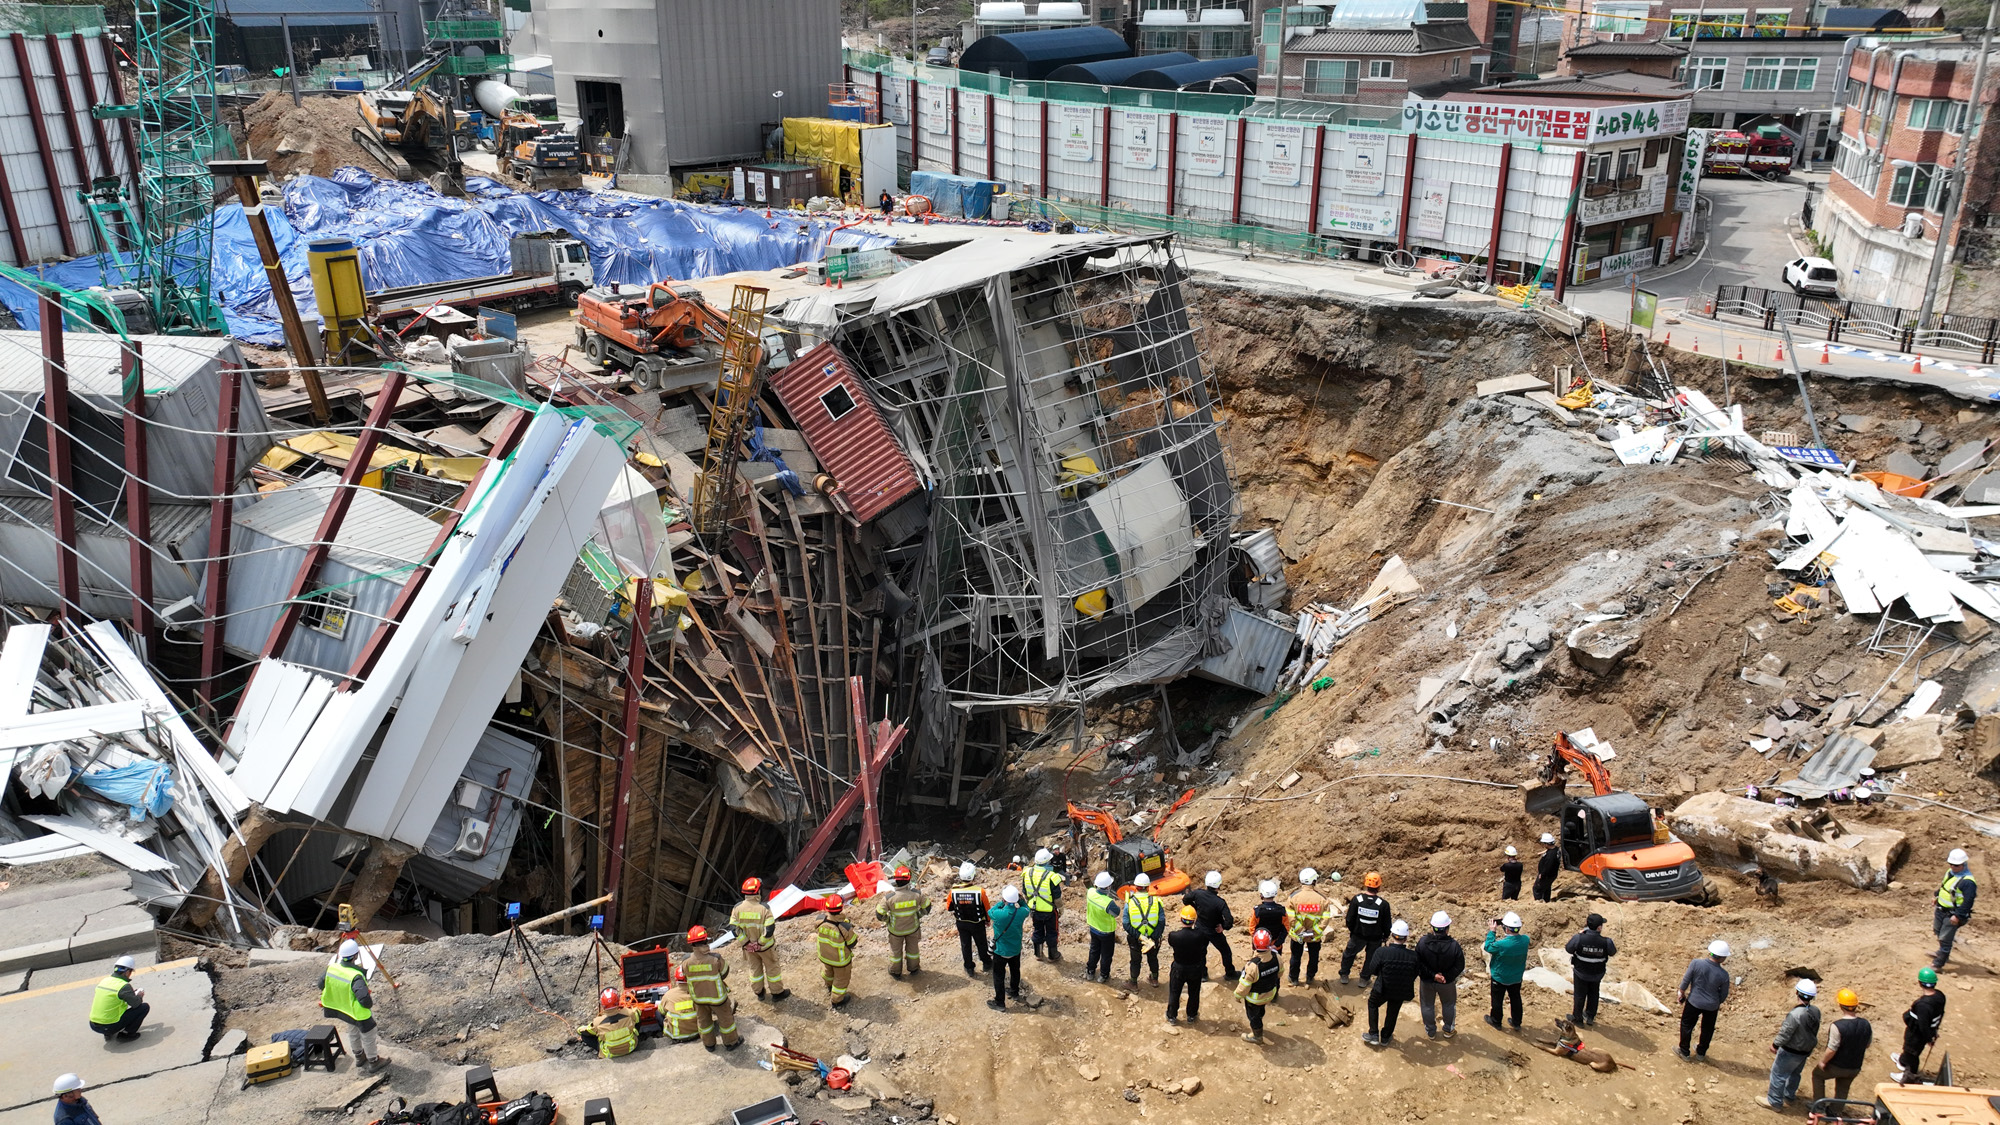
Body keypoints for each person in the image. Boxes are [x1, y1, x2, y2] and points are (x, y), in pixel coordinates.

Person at [319, 939, 389, 1070]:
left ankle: (359, 1057)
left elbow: (321, 984)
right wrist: (368, 1002)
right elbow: (364, 1000)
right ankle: (373, 1061)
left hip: (345, 1010)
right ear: (356, 955)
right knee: (368, 1035)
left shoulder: (331, 968)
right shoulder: (355, 975)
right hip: (358, 1012)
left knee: (352, 1032)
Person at [1757, 979, 1820, 1110]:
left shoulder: (1795, 1014)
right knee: (1795, 1073)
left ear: (1797, 992)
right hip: (1805, 1050)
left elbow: (1786, 1032)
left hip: (1791, 1050)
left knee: (1778, 1074)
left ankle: (1774, 1101)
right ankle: (1789, 1096)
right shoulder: (1815, 1011)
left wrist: (1775, 1045)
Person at [1362, 918, 1421, 1047]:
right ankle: (1385, 1037)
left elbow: (1372, 969)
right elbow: (1415, 973)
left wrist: (1384, 974)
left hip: (1382, 987)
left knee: (1372, 1004)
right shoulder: (1413, 956)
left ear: (1392, 935)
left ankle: (1373, 1034)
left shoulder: (1382, 952)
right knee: (1393, 1012)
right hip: (1400, 990)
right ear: (1406, 938)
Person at [682, 925, 742, 1050]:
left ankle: (709, 1044)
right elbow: (724, 973)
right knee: (726, 1020)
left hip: (698, 999)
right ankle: (731, 1043)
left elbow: (685, 977)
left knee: (704, 1022)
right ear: (705, 940)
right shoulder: (715, 959)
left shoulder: (685, 962)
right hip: (717, 998)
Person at [730, 876, 788, 1001]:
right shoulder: (764, 908)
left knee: (754, 970)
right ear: (758, 891)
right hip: (765, 947)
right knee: (772, 969)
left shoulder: (737, 908)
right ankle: (777, 993)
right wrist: (760, 943)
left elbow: (734, 930)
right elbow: (769, 930)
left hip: (749, 949)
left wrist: (746, 943)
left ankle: (759, 993)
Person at [1812, 988, 1871, 1102]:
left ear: (1840, 1005)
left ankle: (1818, 1108)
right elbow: (1867, 1044)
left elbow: (1832, 1049)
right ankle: (1835, 1112)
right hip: (1855, 1067)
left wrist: (1823, 1062)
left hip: (1837, 1066)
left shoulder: (1837, 1026)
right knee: (1843, 1089)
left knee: (1817, 1075)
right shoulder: (1866, 1024)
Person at [1678, 940, 1733, 1060]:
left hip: (1694, 1002)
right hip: (1712, 1006)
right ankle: (1701, 1053)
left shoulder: (1696, 963)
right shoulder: (1724, 975)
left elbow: (1686, 980)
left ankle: (1684, 1051)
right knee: (1707, 1029)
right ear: (1723, 958)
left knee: (1687, 1025)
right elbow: (1724, 994)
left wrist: (1681, 992)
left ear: (1711, 952)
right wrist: (1716, 1002)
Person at [875, 865, 931, 978]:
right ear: (909, 879)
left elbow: (879, 914)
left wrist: (888, 920)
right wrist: (918, 915)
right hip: (912, 928)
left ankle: (895, 972)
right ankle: (914, 969)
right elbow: (927, 907)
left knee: (895, 952)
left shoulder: (889, 898)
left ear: (896, 879)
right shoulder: (917, 894)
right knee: (913, 950)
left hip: (896, 930)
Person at [1415, 911, 1465, 1039]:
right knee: (1449, 1004)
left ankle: (1431, 1031)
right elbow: (1460, 965)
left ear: (1432, 927)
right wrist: (1445, 977)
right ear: (1447, 929)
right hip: (1446, 983)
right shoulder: (1454, 946)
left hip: (1427, 981)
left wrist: (1433, 975)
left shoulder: (1422, 943)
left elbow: (1418, 963)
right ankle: (1448, 1030)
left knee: (1427, 1005)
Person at [1894, 966, 1946, 1083]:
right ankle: (1903, 1061)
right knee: (1908, 1050)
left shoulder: (1923, 1005)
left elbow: (1923, 1025)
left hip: (1917, 1035)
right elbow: (1941, 1013)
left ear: (1920, 983)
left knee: (1912, 1053)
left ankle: (1909, 1076)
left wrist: (1929, 1038)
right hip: (1928, 1031)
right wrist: (1934, 1032)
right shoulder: (1940, 996)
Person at [1339, 871, 1391, 984]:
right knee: (1371, 958)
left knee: (1349, 954)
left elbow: (1349, 919)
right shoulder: (1383, 904)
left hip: (1357, 935)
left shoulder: (1357, 900)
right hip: (1375, 937)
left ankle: (1344, 974)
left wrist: (1353, 930)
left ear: (1366, 884)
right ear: (1379, 886)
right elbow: (1387, 924)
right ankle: (1364, 979)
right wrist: (1385, 935)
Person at [1565, 914, 1616, 1026]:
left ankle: (1577, 1019)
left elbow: (1569, 949)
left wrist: (1580, 935)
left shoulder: (1578, 938)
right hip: (1597, 973)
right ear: (1599, 928)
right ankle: (1590, 1016)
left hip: (1581, 973)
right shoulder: (1606, 941)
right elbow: (1612, 952)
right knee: (1594, 994)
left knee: (1579, 995)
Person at [1185, 870, 1238, 977]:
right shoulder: (1220, 902)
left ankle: (1203, 975)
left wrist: (1196, 909)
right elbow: (1229, 920)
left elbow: (1186, 899)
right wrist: (1223, 927)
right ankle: (1230, 973)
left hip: (1199, 928)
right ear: (1218, 885)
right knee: (1225, 951)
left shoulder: (1198, 894)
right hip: (1214, 931)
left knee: (1200, 953)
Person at [1483, 912, 1530, 1031]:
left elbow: (1488, 947)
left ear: (1507, 929)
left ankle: (1496, 1021)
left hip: (1500, 977)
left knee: (1497, 1000)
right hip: (1516, 977)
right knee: (1515, 998)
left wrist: (1492, 931)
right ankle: (1516, 1022)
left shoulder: (1501, 944)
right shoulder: (1525, 940)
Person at [1235, 928, 1283, 1044]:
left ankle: (1257, 1036)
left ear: (1254, 944)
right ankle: (1260, 1018)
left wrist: (1237, 995)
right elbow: (1280, 973)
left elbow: (1245, 985)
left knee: (1253, 1017)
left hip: (1254, 999)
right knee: (1261, 1010)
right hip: (1270, 993)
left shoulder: (1253, 966)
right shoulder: (1277, 957)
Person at [86, 956, 148, 1043]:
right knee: (144, 1007)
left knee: (109, 1009)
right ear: (126, 972)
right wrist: (140, 996)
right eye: (130, 972)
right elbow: (136, 1004)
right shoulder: (123, 986)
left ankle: (107, 1033)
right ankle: (127, 1034)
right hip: (108, 1026)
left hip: (93, 1024)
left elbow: (111, 998)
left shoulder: (104, 981)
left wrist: (130, 994)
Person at [1166, 905, 1210, 1024]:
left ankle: (1172, 1016)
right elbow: (1204, 942)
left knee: (1175, 992)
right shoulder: (1200, 935)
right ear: (1194, 921)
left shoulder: (1174, 936)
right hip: (1195, 968)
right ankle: (1191, 1015)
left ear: (1181, 919)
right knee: (1194, 993)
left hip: (1179, 967)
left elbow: (1171, 942)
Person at [1285, 868, 1330, 985]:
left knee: (1295, 957)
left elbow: (1291, 917)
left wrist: (1301, 930)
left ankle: (1293, 978)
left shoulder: (1293, 897)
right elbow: (1326, 918)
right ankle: (1310, 977)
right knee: (1314, 957)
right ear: (1314, 881)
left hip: (1297, 935)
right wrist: (1314, 931)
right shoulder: (1322, 899)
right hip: (1314, 936)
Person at [1934, 847, 1976, 970]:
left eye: (1956, 865)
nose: (1953, 867)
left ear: (1964, 864)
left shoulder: (1968, 882)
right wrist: (1937, 896)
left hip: (1952, 914)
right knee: (1937, 930)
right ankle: (1942, 953)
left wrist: (1958, 916)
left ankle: (1939, 963)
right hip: (1941, 909)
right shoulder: (1950, 873)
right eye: (1951, 864)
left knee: (1945, 938)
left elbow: (1968, 901)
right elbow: (1945, 888)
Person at [948, 862, 993, 977]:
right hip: (977, 923)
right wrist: (988, 920)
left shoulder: (953, 890)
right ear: (973, 875)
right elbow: (987, 908)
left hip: (961, 922)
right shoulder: (980, 891)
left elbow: (949, 907)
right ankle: (986, 963)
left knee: (965, 945)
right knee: (981, 943)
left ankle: (969, 967)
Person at [988, 885, 1028, 1010]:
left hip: (1001, 951)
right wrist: (1020, 900)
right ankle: (1014, 992)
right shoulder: (1021, 913)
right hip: (1015, 949)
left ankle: (1000, 1002)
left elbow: (990, 911)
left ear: (1004, 899)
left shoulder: (999, 914)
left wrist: (1001, 902)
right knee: (1015, 971)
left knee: (998, 976)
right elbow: (1026, 907)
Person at [1024, 849, 1067, 961]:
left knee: (1038, 930)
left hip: (1034, 909)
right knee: (1052, 932)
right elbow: (1057, 896)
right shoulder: (1051, 876)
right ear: (1048, 861)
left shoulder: (1027, 873)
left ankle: (1038, 954)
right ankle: (1053, 955)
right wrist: (1061, 908)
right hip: (1049, 910)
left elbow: (1025, 891)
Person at [816, 898, 859, 1007]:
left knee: (828, 972)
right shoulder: (844, 927)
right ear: (841, 908)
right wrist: (847, 926)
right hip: (840, 961)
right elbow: (852, 942)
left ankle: (829, 986)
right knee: (841, 979)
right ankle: (837, 1000)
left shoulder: (820, 920)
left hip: (825, 956)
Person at [1124, 872, 1166, 985]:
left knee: (1135, 961)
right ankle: (1155, 979)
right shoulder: (1156, 902)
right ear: (1148, 887)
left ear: (1136, 887)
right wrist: (1153, 937)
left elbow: (1126, 924)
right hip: (1153, 938)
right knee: (1153, 958)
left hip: (1136, 939)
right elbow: (1162, 921)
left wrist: (1140, 937)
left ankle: (1133, 983)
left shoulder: (1130, 903)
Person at [1084, 872, 1121, 983]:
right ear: (1108, 887)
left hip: (1093, 928)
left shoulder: (1090, 893)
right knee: (1106, 955)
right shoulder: (1108, 902)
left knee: (1094, 950)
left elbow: (1090, 888)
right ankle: (1103, 975)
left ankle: (1090, 971)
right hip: (1106, 932)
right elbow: (1116, 913)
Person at [662, 966, 701, 1043]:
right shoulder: (699, 992)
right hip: (698, 1033)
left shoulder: (669, 995)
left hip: (677, 1036)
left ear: (676, 979)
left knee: (658, 1014)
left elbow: (661, 1011)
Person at [1533, 833, 1561, 901]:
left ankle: (1539, 903)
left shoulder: (1550, 856)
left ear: (1546, 844)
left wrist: (1542, 875)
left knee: (1537, 889)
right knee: (1546, 888)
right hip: (1552, 875)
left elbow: (1547, 867)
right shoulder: (1555, 850)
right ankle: (1546, 901)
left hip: (1547, 876)